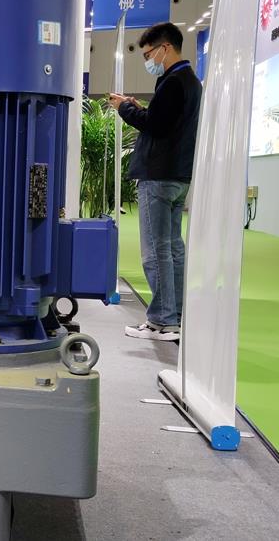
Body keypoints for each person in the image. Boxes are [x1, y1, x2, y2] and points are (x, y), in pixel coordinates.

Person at [109, 22, 202, 342]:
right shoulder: (190, 82)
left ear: (165, 48)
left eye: (149, 54)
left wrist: (125, 109)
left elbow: (156, 126)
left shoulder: (173, 81)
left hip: (159, 176)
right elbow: (165, 121)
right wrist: (140, 108)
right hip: (177, 175)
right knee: (173, 248)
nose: (148, 60)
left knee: (156, 251)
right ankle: (175, 315)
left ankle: (162, 320)